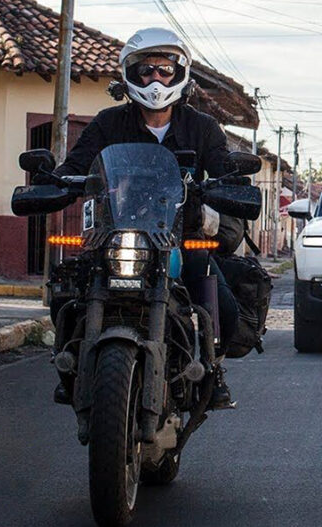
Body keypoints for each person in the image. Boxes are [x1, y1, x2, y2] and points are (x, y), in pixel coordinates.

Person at [49, 27, 242, 409]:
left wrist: (230, 193)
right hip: (115, 234)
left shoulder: (202, 128)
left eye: (164, 69)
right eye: (146, 69)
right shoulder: (108, 124)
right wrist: (51, 181)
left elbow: (227, 175)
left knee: (224, 305)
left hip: (180, 237)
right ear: (130, 75)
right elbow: (75, 167)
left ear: (179, 73)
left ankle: (213, 368)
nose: (156, 78)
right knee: (68, 292)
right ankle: (70, 368)